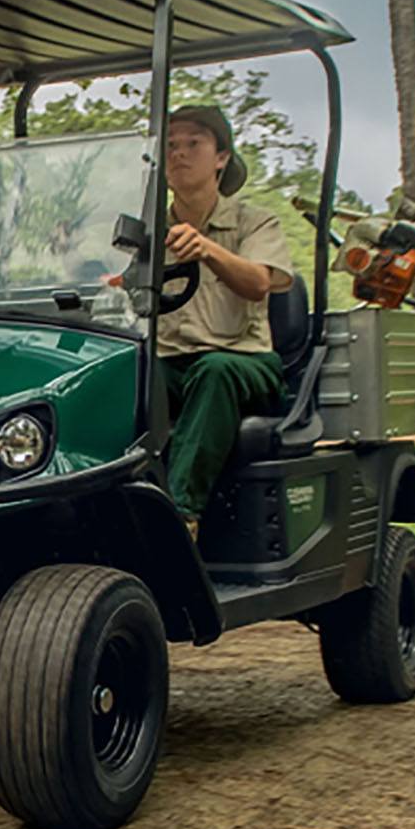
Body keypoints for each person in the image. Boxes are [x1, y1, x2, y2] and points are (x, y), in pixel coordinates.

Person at [156, 104, 295, 525]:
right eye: (171, 145)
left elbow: (258, 282)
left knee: (213, 371)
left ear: (221, 158)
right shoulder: (149, 233)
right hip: (169, 364)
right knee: (112, 376)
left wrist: (207, 249)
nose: (179, 153)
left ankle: (179, 517)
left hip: (244, 361)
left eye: (193, 143)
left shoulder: (254, 223)